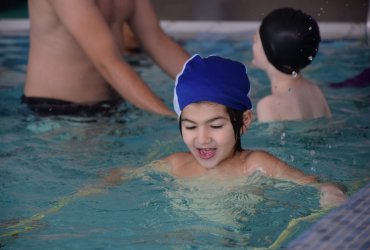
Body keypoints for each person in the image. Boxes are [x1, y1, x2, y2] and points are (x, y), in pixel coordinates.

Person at [107, 54, 346, 208]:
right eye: (190, 126)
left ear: (244, 121)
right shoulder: (176, 165)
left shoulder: (255, 164)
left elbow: (314, 183)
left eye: (216, 125)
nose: (202, 139)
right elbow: (124, 174)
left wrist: (329, 192)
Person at [23, 0, 190, 116]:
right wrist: (170, 117)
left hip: (114, 106)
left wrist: (212, 86)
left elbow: (157, 42)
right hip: (55, 112)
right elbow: (107, 62)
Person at [252, 8, 332, 123]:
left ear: (269, 52)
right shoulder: (315, 90)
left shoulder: (268, 106)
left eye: (255, 39)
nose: (252, 42)